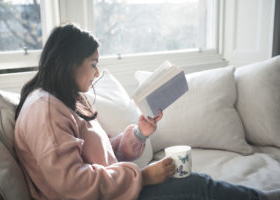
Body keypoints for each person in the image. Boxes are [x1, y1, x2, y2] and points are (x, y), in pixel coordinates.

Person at [14, 24, 268, 200]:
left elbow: (100, 157)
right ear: (70, 62)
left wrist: (138, 134)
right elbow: (73, 185)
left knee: (191, 180)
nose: (97, 73)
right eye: (93, 64)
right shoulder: (45, 110)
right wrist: (143, 177)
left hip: (111, 191)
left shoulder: (65, 100)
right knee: (196, 185)